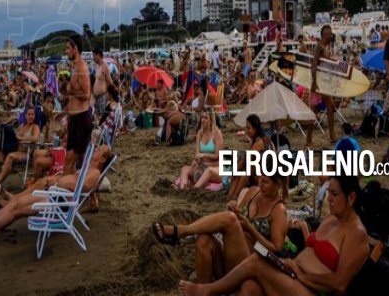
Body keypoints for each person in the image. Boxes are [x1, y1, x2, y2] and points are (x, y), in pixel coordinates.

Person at [179, 176, 369, 296]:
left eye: (334, 194)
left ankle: (208, 290)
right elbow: (313, 250)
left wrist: (302, 275)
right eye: (328, 192)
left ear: (351, 198)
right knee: (249, 288)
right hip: (292, 272)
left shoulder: (356, 233)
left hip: (311, 289)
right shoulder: (331, 219)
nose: (329, 199)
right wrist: (301, 239)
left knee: (256, 261)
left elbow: (339, 284)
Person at [154, 172, 288, 285]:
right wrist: (234, 207)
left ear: (277, 185)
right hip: (231, 251)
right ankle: (203, 290)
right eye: (260, 179)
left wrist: (250, 228)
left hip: (253, 259)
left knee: (230, 219)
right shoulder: (254, 192)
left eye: (266, 182)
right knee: (204, 240)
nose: (260, 184)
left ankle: (181, 231)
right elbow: (237, 214)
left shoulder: (278, 210)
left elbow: (275, 249)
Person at [0, 145, 111, 240]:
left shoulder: (95, 173)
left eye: (99, 150)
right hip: (57, 195)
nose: (95, 149)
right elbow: (73, 181)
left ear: (103, 158)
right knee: (15, 203)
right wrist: (59, 180)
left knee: (16, 208)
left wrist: (59, 182)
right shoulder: (88, 169)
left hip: (60, 202)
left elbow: (81, 185)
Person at [0, 106, 41, 195]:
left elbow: (35, 138)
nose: (30, 116)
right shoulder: (21, 126)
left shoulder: (35, 127)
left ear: (35, 116)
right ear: (25, 116)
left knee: (10, 157)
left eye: (32, 114)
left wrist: (21, 138)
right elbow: (13, 135)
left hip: (26, 153)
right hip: (14, 150)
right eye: (28, 114)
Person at [63, 34, 92, 175]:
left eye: (68, 48)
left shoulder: (81, 67)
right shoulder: (76, 66)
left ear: (75, 49)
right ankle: (91, 196)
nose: (66, 51)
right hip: (75, 119)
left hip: (81, 119)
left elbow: (87, 95)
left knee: (69, 162)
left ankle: (64, 195)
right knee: (82, 160)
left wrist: (71, 90)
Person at [227, 114, 274, 199]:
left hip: (267, 177)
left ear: (255, 128)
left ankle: (235, 195)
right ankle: (230, 195)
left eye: (248, 128)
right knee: (242, 168)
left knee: (248, 167)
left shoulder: (260, 141)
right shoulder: (255, 140)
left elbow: (246, 159)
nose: (247, 131)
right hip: (259, 174)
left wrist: (235, 170)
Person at [175, 110, 223, 189]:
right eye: (202, 117)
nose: (203, 120)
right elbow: (197, 153)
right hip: (202, 165)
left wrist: (203, 155)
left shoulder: (217, 133)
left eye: (205, 118)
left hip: (215, 166)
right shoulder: (200, 133)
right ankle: (183, 189)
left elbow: (217, 155)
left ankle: (194, 189)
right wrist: (196, 160)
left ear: (211, 119)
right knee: (184, 169)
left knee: (209, 171)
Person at [307, 25, 337, 146]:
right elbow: (314, 64)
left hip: (324, 82)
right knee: (317, 111)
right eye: (330, 34)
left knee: (327, 108)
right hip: (318, 83)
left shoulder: (325, 47)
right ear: (325, 35)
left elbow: (325, 63)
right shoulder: (319, 47)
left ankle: (331, 136)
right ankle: (329, 136)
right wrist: (314, 82)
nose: (331, 35)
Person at [92, 48, 112, 121]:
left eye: (94, 56)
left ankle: (105, 131)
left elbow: (109, 81)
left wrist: (111, 94)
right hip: (96, 96)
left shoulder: (105, 66)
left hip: (102, 95)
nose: (93, 58)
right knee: (97, 115)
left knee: (103, 116)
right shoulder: (97, 66)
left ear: (99, 55)